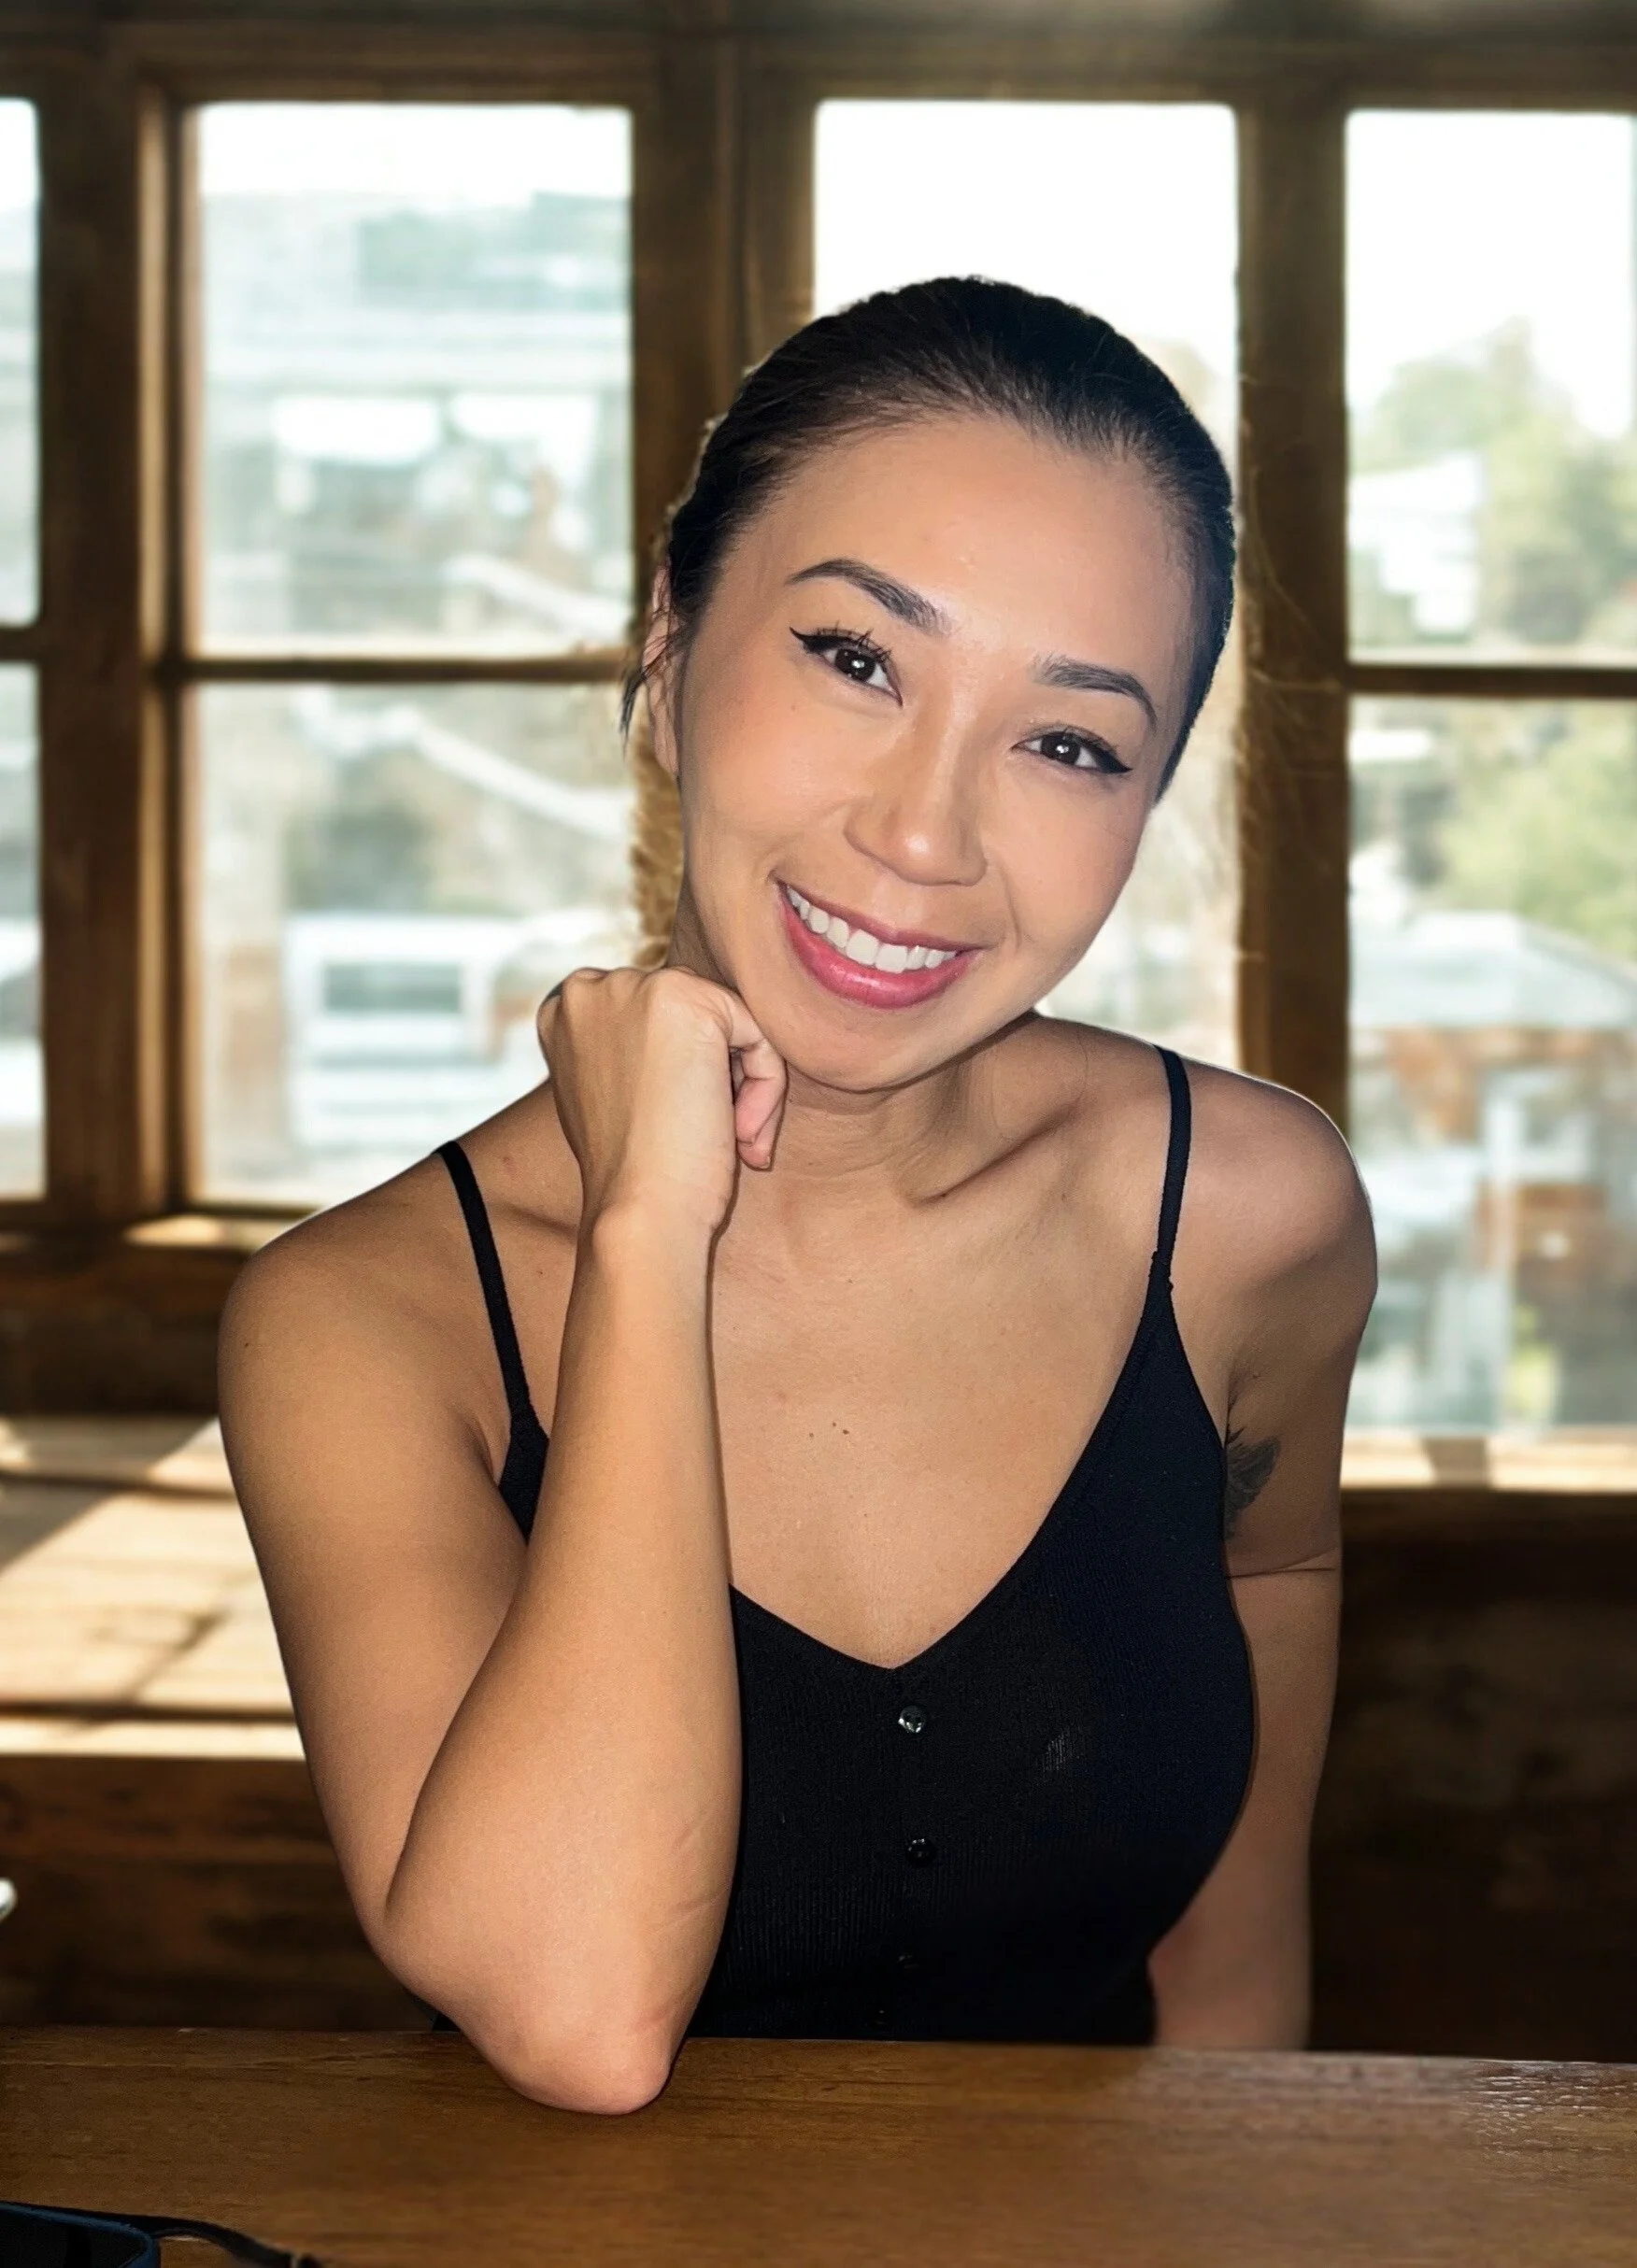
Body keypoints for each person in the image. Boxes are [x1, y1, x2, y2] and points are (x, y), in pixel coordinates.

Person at [219, 277, 1376, 2114]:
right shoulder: (365, 1324)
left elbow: (1267, 1656)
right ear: (670, 647)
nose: (925, 834)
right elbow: (578, 2008)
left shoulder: (1248, 1216)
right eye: (856, 658)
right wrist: (644, 1234)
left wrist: (1246, 2182)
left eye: (1069, 741)